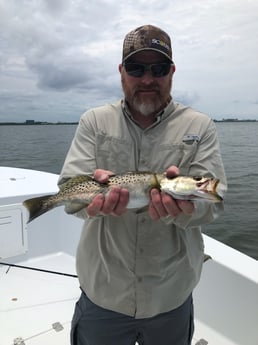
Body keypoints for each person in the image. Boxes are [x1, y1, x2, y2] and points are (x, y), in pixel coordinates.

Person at [59, 24, 227, 345]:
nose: (147, 79)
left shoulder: (200, 126)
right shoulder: (94, 122)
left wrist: (185, 211)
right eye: (136, 68)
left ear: (172, 72)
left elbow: (212, 201)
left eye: (158, 68)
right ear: (122, 72)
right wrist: (89, 205)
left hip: (171, 295)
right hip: (103, 293)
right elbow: (71, 197)